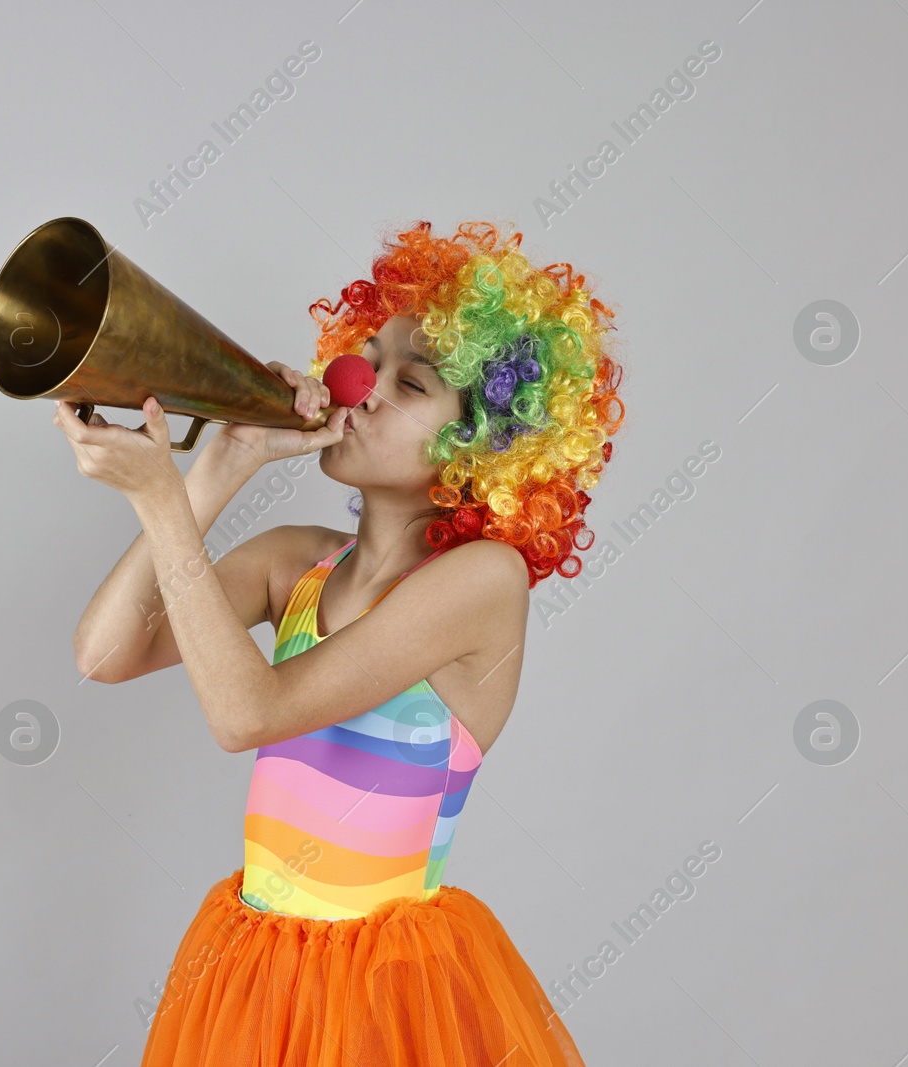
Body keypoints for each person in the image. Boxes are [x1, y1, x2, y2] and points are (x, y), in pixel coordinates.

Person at [55, 220, 624, 1066]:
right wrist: (219, 468)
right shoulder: (297, 562)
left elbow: (249, 714)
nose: (360, 384)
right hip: (255, 980)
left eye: (412, 381)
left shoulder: (482, 582)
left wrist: (160, 504)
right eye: (368, 356)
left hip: (386, 1005)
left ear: (479, 447)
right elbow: (104, 653)